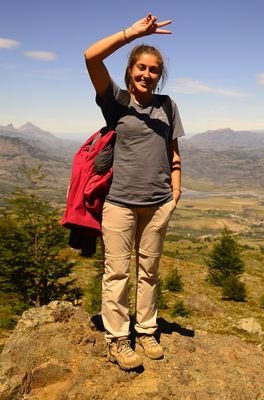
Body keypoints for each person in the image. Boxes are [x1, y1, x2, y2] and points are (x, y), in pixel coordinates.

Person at [84, 13, 184, 370]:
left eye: (153, 69)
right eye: (140, 67)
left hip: (158, 204)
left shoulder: (168, 106)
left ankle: (145, 331)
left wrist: (175, 192)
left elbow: (172, 150)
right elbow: (91, 56)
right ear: (130, 70)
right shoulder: (116, 101)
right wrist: (131, 33)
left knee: (149, 271)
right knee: (116, 273)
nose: (146, 74)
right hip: (119, 204)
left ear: (160, 75)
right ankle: (117, 340)